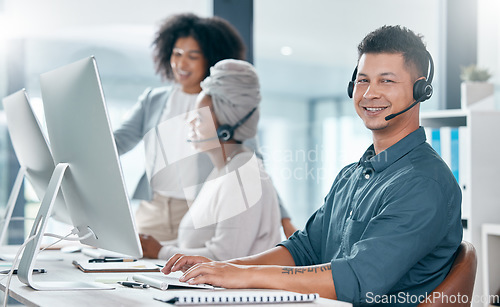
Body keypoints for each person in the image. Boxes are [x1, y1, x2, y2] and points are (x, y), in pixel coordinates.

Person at [160, 25, 463, 306]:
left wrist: (242, 277)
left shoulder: (424, 183)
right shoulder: (352, 175)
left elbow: (357, 279)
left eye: (386, 80)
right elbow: (304, 250)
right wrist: (225, 268)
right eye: (362, 80)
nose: (370, 93)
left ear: (421, 90)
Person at [113, 13, 297, 247]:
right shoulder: (153, 100)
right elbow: (117, 142)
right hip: (154, 210)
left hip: (197, 213)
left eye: (192, 56)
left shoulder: (224, 107)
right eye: (176, 54)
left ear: (210, 59)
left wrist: (284, 217)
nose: (181, 64)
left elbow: (252, 166)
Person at [139, 59, 282, 260]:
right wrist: (150, 246)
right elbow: (194, 244)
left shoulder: (242, 176)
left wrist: (161, 252)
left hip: (235, 292)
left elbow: (226, 256)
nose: (189, 122)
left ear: (225, 129)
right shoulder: (224, 169)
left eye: (199, 117)